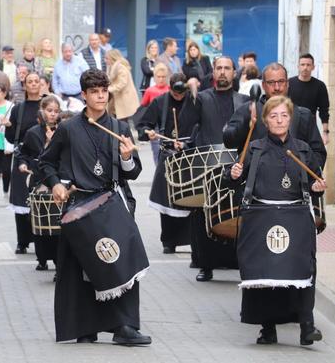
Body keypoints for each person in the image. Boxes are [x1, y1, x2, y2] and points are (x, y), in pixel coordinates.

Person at [38, 68, 151, 345]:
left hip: (111, 202)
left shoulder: (120, 128)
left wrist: (126, 158)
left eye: (104, 91)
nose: (100, 96)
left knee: (119, 261)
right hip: (80, 203)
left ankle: (124, 327)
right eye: (94, 92)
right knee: (77, 268)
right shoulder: (68, 128)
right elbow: (45, 162)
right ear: (85, 95)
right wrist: (55, 184)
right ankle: (83, 326)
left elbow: (133, 171)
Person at [226, 95, 325, 346]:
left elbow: (316, 184)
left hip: (296, 217)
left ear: (290, 119)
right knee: (265, 273)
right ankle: (267, 328)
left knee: (303, 269)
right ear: (266, 121)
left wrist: (318, 186)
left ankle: (307, 326)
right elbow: (232, 182)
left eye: (284, 116)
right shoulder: (255, 149)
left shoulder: (303, 149)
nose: (279, 120)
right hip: (262, 217)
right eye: (273, 116)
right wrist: (233, 174)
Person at [178, 56, 250, 282]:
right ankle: (205, 264)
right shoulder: (202, 98)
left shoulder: (244, 101)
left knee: (238, 213)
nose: (222, 72)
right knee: (203, 215)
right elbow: (186, 124)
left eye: (227, 68)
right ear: (213, 73)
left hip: (236, 165)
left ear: (234, 72)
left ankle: (239, 262)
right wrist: (191, 95)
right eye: (218, 68)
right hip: (208, 166)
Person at [223, 62, 327, 169]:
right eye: (271, 82)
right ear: (263, 85)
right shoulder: (248, 110)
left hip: (294, 182)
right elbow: (229, 141)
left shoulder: (303, 115)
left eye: (281, 82)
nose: (277, 87)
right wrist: (246, 121)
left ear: (287, 83)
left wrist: (308, 177)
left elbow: (318, 153)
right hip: (257, 182)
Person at [137, 72, 194, 254]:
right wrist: (149, 132)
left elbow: (202, 126)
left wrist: (187, 143)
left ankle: (192, 239)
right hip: (168, 155)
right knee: (167, 201)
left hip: (189, 156)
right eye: (175, 93)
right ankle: (169, 241)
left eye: (181, 93)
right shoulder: (161, 102)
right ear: (169, 88)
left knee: (192, 200)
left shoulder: (194, 102)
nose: (178, 97)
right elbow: (142, 125)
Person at [18, 95, 61, 271]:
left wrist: (52, 142)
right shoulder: (33, 132)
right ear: (42, 111)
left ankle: (60, 262)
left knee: (58, 223)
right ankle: (42, 258)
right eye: (49, 111)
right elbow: (24, 152)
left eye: (56, 111)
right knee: (39, 221)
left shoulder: (63, 130)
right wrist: (23, 163)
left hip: (58, 180)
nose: (52, 114)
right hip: (38, 180)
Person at [4, 72, 42, 254]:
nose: (33, 84)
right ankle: (23, 241)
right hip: (22, 157)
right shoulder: (18, 108)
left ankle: (42, 240)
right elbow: (11, 139)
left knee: (42, 199)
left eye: (36, 81)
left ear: (41, 84)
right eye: (30, 82)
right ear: (25, 86)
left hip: (43, 156)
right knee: (21, 199)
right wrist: (8, 127)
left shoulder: (48, 105)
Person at [288, 53, 330, 144]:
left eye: (308, 65)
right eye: (302, 65)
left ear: (313, 67)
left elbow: (324, 110)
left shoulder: (320, 86)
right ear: (298, 66)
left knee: (309, 154)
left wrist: (325, 132)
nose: (305, 67)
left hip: (310, 126)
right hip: (291, 125)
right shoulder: (289, 83)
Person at [106, 49, 139, 121]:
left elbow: (122, 83)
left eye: (107, 58)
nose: (105, 60)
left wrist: (109, 89)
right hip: (118, 99)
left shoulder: (121, 68)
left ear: (113, 58)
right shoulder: (112, 68)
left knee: (123, 123)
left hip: (124, 100)